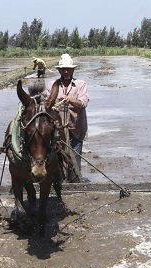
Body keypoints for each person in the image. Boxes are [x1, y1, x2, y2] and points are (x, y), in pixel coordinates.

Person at [45, 54, 89, 182]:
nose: (66, 72)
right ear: (59, 70)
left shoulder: (81, 85)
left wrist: (69, 100)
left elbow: (83, 102)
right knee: (56, 158)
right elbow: (48, 103)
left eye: (68, 69)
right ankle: (58, 184)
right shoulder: (52, 85)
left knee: (74, 161)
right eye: (63, 69)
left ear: (73, 70)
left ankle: (74, 183)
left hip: (75, 129)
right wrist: (53, 107)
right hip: (57, 130)